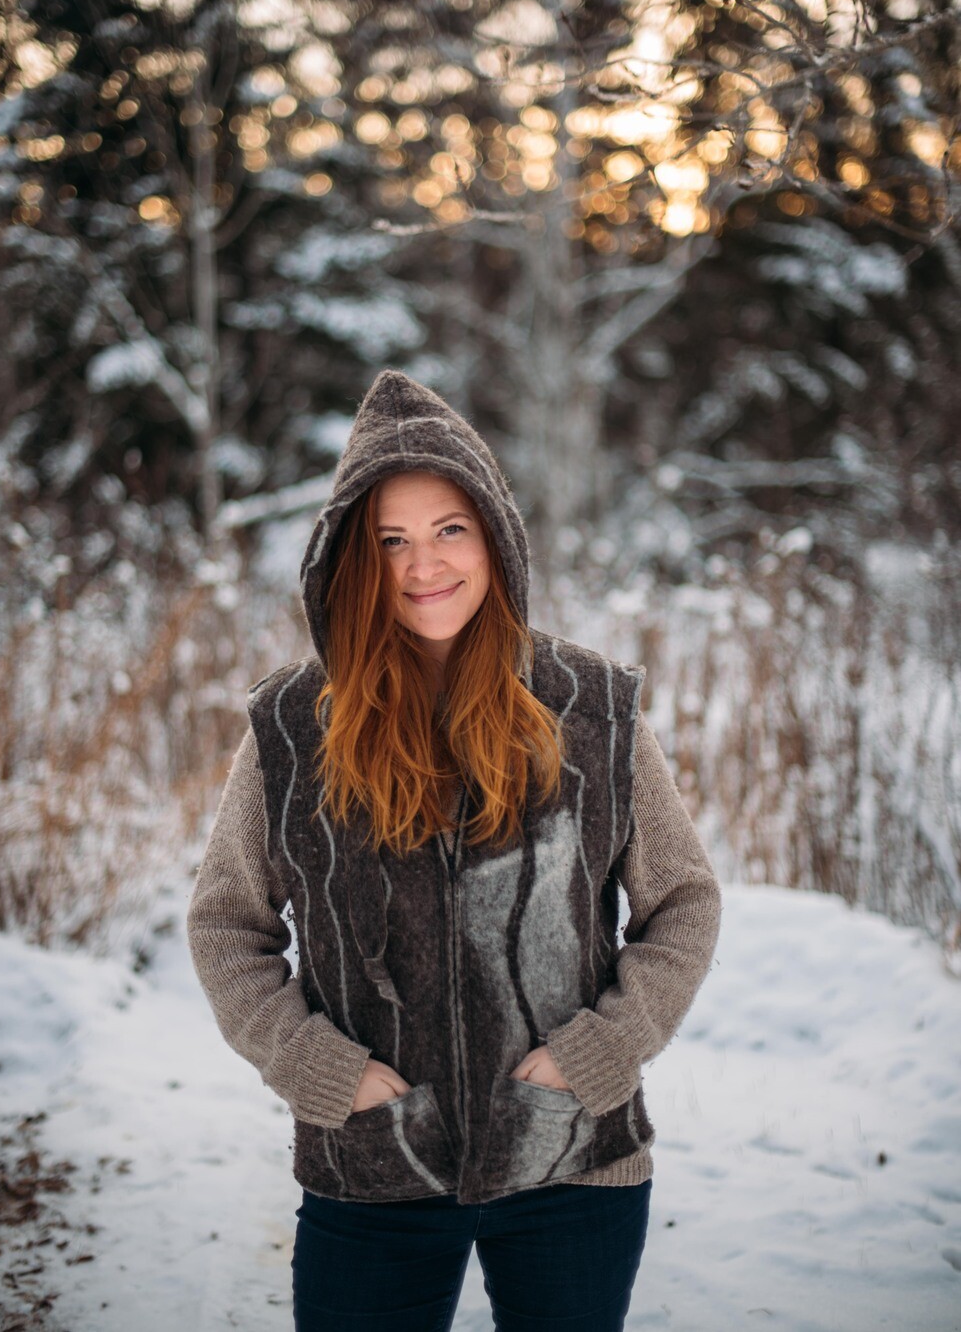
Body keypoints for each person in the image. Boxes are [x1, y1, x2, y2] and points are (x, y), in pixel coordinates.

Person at [187, 368, 723, 1331]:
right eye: (389, 540)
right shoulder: (291, 727)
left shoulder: (592, 708)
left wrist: (603, 1050)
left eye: (448, 530)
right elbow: (229, 925)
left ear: (496, 540)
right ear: (352, 559)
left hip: (571, 1158)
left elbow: (680, 901)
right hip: (372, 1166)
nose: (421, 564)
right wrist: (315, 1068)